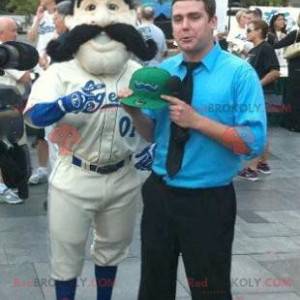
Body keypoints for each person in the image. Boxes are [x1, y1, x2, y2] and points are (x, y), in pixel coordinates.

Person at [119, 0, 266, 299]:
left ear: (212, 21)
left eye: (194, 17)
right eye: (178, 19)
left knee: (210, 289)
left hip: (208, 201)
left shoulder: (239, 73)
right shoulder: (164, 71)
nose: (184, 26)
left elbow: (253, 141)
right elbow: (153, 133)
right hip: (160, 193)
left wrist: (197, 121)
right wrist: (133, 112)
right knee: (153, 286)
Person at [24, 0, 157, 299]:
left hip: (123, 174)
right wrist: (65, 104)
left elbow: (155, 124)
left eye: (113, 7)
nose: (102, 21)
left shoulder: (137, 73)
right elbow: (33, 116)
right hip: (75, 173)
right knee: (66, 255)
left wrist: (149, 134)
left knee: (112, 252)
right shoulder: (61, 72)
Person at [238, 20, 280, 181]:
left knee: (255, 128)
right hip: (257, 94)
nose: (247, 32)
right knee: (262, 128)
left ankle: (252, 168)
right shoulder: (254, 50)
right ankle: (263, 163)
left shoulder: (266, 48)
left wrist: (257, 85)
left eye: (250, 30)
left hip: (263, 94)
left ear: (259, 31)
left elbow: (275, 71)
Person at [0, 16, 32, 204]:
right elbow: (25, 77)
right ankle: (3, 187)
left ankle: (10, 183)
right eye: (13, 30)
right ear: (2, 33)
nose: (16, 33)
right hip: (5, 109)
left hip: (13, 108)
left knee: (13, 148)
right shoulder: (6, 53)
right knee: (6, 148)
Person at [27, 0, 57, 185]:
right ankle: (42, 169)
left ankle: (58, 168)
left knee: (57, 122)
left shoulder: (61, 15)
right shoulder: (41, 16)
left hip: (55, 70)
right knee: (39, 125)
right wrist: (37, 20)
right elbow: (30, 38)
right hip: (40, 72)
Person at [273, 12, 300, 132]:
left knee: (293, 96)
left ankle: (293, 123)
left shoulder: (296, 33)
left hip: (296, 68)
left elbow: (278, 45)